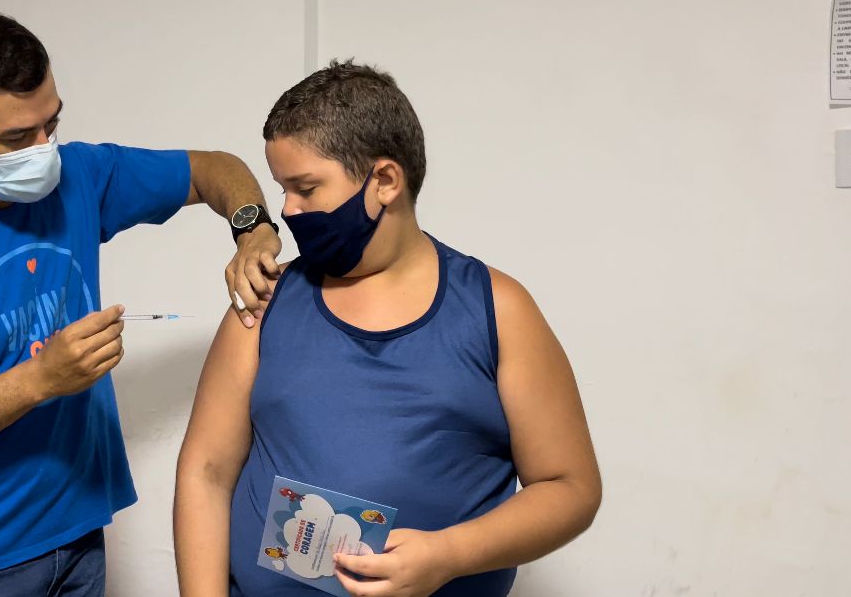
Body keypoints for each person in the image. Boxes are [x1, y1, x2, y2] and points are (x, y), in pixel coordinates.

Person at [0, 6, 283, 596]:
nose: (44, 149)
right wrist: (40, 380)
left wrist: (253, 229)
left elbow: (213, 169)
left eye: (52, 123)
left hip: (78, 535)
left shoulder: (79, 176)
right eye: (17, 138)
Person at [174, 61, 602, 597]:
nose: (287, 210)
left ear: (384, 181)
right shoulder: (266, 300)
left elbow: (570, 488)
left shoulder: (497, 308)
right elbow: (206, 471)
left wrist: (449, 555)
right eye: (283, 189)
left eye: (306, 188)